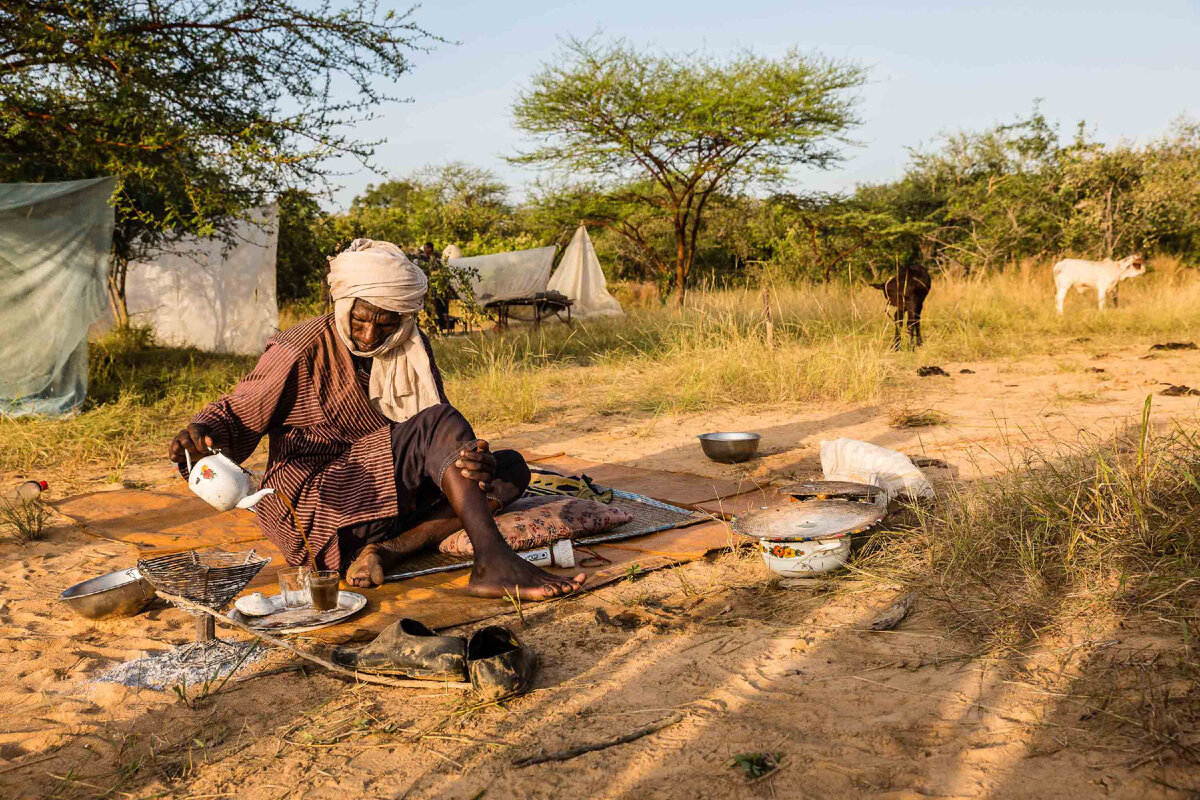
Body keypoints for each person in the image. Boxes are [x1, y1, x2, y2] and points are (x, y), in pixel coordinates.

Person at [167, 238, 585, 599]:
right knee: (440, 425)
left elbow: (435, 442)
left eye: (386, 324)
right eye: (361, 319)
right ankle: (493, 562)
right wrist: (202, 434)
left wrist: (470, 459)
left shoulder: (409, 346)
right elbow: (237, 412)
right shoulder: (301, 347)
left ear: (404, 317)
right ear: (344, 304)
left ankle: (387, 551)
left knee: (508, 469)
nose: (369, 336)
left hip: (387, 504)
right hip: (320, 511)